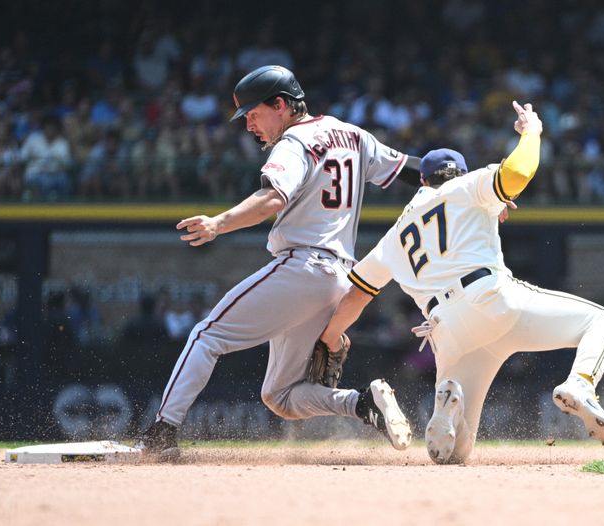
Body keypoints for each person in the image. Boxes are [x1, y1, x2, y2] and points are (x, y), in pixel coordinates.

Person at [317, 101, 604, 464]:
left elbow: (355, 296)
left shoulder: (395, 235)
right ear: (459, 171)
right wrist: (532, 133)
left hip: (445, 331)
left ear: (422, 181)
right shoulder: (468, 185)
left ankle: (450, 397)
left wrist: (328, 338)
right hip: (491, 301)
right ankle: (581, 384)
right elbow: (519, 171)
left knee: (455, 455)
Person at [138, 65, 421, 459]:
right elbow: (416, 169)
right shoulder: (354, 136)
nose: (249, 125)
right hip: (340, 278)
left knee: (206, 336)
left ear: (281, 104)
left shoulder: (293, 142)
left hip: (303, 268)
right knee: (280, 396)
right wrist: (473, 188)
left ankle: (161, 432)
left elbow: (272, 199)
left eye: (254, 114)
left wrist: (219, 223)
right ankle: (362, 404)